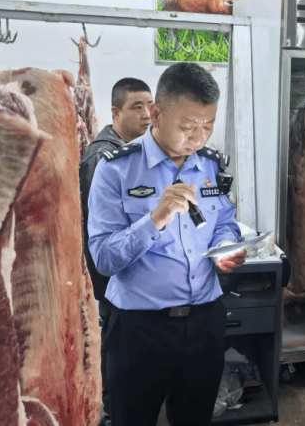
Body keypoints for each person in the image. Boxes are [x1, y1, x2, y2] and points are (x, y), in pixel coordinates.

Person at [87, 62, 246, 426]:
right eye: (187, 126)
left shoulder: (212, 165)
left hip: (204, 322)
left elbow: (224, 222)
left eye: (208, 126)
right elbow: (104, 259)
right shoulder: (115, 169)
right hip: (139, 328)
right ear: (156, 113)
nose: (198, 138)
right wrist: (155, 218)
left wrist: (226, 247)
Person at [79, 77, 152, 425]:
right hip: (113, 276)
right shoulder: (103, 158)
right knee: (116, 350)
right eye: (137, 107)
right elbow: (104, 230)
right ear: (115, 112)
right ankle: (111, 412)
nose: (147, 114)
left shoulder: (135, 151)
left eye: (150, 105)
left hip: (128, 272)